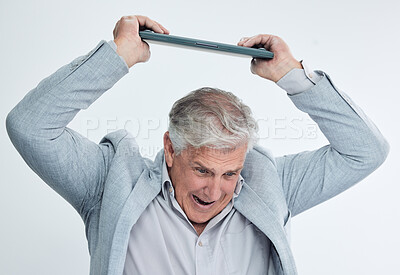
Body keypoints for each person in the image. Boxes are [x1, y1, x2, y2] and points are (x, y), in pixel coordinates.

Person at [6, 15, 389, 275]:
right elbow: (30, 126)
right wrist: (118, 56)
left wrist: (293, 76)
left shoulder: (271, 183)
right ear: (171, 149)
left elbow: (365, 151)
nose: (215, 189)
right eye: (202, 169)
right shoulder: (109, 182)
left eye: (230, 173)